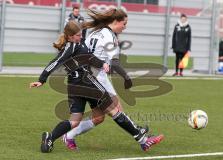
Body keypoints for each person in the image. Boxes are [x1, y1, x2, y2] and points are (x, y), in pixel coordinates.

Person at [30, 21, 163, 153]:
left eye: (80, 34)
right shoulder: (71, 46)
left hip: (74, 87)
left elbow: (89, 58)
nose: (80, 37)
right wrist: (42, 80)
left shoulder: (77, 44)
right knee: (114, 110)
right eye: (77, 35)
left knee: (76, 120)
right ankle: (143, 140)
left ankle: (50, 137)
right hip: (88, 84)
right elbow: (55, 62)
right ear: (70, 36)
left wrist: (102, 64)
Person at [62, 8, 143, 151]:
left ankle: (69, 136)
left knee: (99, 117)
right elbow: (115, 63)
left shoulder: (96, 32)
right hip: (95, 78)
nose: (125, 27)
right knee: (116, 108)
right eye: (124, 24)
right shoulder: (109, 36)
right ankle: (140, 135)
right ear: (116, 22)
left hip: (88, 76)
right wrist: (126, 77)